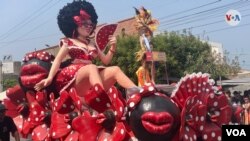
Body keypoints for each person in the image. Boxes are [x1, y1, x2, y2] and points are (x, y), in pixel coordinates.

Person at [34, 0, 137, 97]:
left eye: (90, 24)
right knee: (91, 67)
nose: (88, 27)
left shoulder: (93, 44)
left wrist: (112, 47)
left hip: (91, 78)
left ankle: (140, 94)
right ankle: (100, 97)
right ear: (74, 24)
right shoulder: (68, 42)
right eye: (84, 24)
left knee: (115, 70)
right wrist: (50, 78)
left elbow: (106, 61)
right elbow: (57, 60)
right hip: (74, 79)